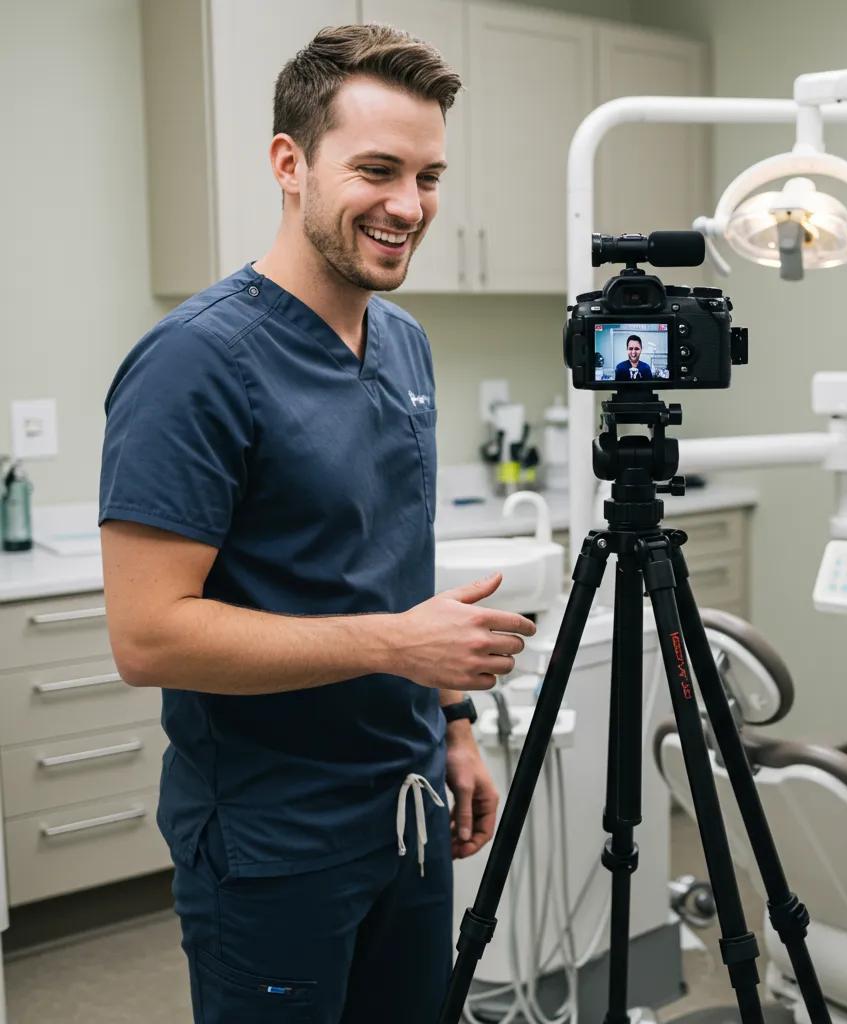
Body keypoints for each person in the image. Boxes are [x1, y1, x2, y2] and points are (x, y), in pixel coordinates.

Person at [99, 24, 535, 1024]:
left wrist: (453, 726)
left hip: (408, 809)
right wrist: (398, 646)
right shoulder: (196, 363)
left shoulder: (404, 343)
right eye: (376, 170)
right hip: (274, 840)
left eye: (428, 177)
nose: (408, 205)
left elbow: (388, 570)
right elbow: (147, 636)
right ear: (289, 164)